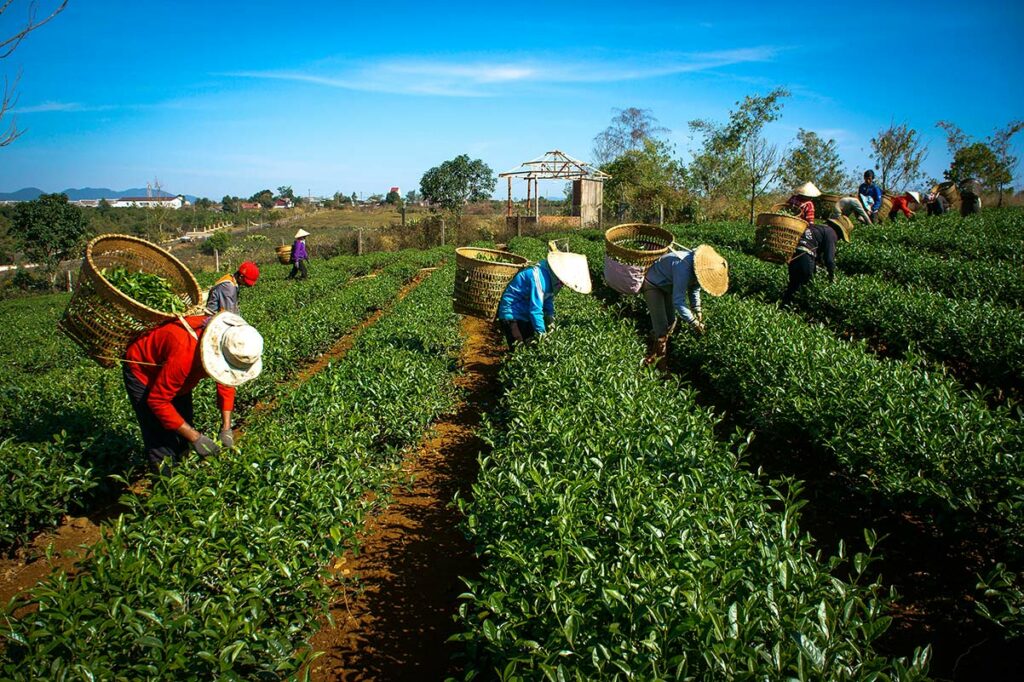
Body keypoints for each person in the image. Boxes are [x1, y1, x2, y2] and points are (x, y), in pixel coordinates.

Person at [122, 312, 263, 474]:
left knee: (184, 426)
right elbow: (158, 401)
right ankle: (168, 486)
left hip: (178, 378)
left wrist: (226, 428)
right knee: (159, 437)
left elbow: (226, 383)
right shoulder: (184, 353)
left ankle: (185, 469)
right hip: (144, 373)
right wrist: (196, 438)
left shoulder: (227, 341)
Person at [641, 245, 729, 371]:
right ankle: (661, 368)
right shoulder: (682, 266)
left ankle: (652, 353)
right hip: (653, 284)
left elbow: (694, 289)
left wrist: (697, 309)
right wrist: (694, 322)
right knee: (661, 327)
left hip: (668, 286)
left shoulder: (699, 271)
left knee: (671, 322)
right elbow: (679, 301)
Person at [497, 251, 591, 348]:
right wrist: (542, 334)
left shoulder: (553, 279)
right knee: (518, 349)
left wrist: (551, 321)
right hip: (511, 313)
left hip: (525, 314)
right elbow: (535, 310)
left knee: (530, 347)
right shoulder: (538, 277)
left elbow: (548, 300)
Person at [781, 218, 850, 306]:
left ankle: (784, 307)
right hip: (805, 255)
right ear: (839, 231)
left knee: (793, 285)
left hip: (794, 255)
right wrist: (832, 275)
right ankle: (795, 311)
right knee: (805, 287)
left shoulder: (817, 227)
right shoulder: (831, 233)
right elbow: (829, 259)